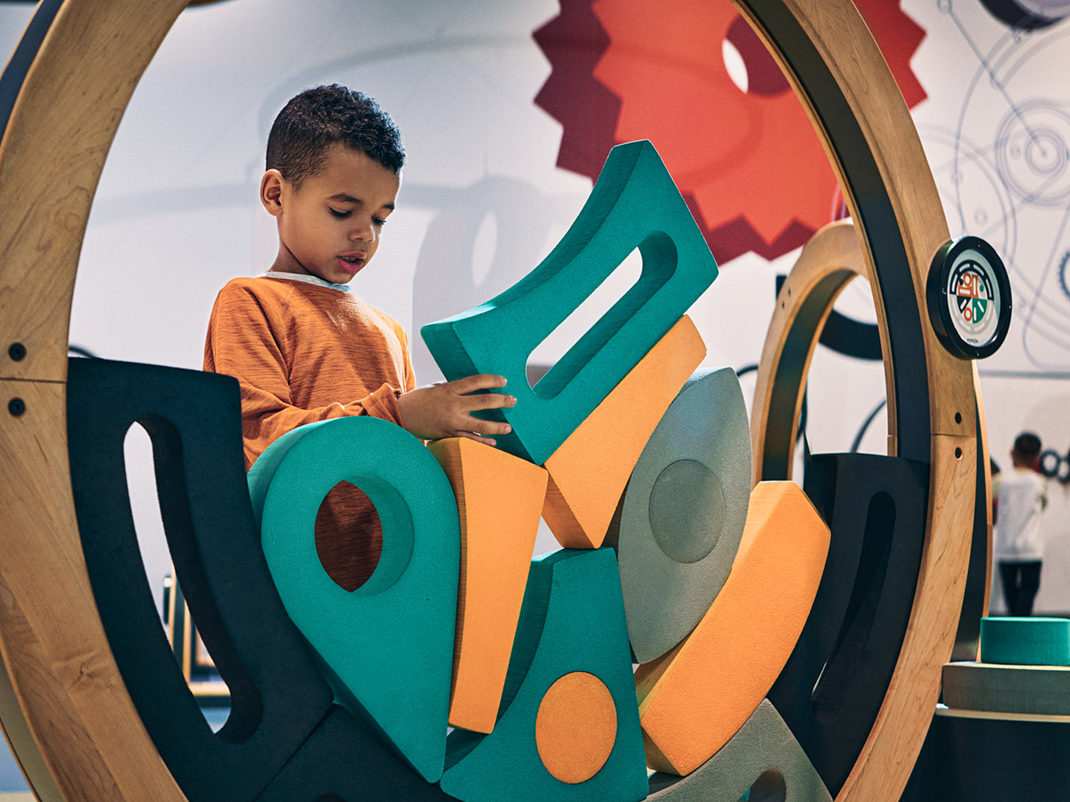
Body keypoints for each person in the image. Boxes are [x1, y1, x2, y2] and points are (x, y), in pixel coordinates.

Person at [204, 85, 514, 591]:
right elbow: (260, 442)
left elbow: (405, 463)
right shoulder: (249, 301)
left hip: (395, 585)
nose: (365, 235)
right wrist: (403, 413)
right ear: (276, 194)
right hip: (296, 587)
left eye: (379, 218)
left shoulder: (388, 330)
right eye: (343, 211)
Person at [992, 431, 1048, 617]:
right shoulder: (1039, 482)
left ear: (1012, 452)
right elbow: (1044, 504)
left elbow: (989, 498)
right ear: (1037, 457)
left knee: (1010, 593)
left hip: (1006, 547)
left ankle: (1014, 626)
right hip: (1031, 548)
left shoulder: (1001, 481)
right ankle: (1023, 626)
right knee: (1029, 590)